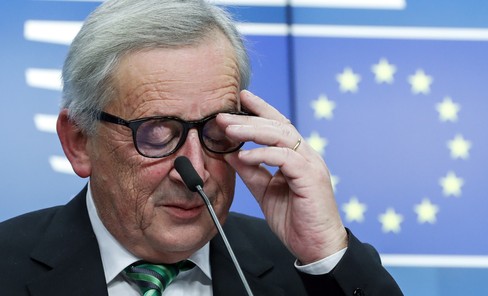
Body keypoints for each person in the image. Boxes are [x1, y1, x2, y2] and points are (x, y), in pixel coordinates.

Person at [0, 0, 403, 295]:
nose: (197, 169)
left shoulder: (301, 271)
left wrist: (326, 252)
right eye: (156, 132)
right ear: (79, 142)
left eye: (215, 130)